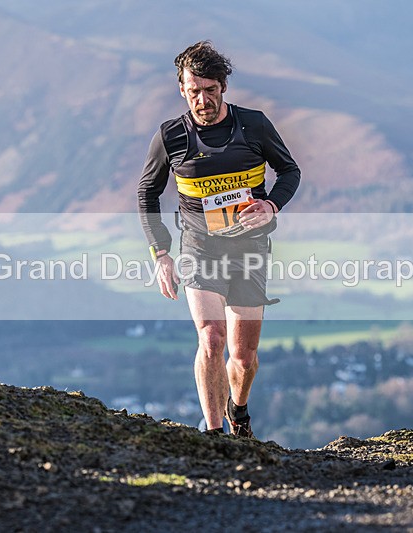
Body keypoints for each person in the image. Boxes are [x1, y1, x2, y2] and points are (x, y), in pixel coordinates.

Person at [138, 41, 300, 437]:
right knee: (212, 339)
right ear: (182, 89)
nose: (202, 99)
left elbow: (290, 171)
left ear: (223, 86)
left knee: (243, 358)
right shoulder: (171, 136)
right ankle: (213, 434)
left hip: (249, 249)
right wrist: (161, 253)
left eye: (210, 90)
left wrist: (271, 206)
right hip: (199, 248)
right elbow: (147, 192)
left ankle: (237, 411)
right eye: (194, 91)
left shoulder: (254, 125)